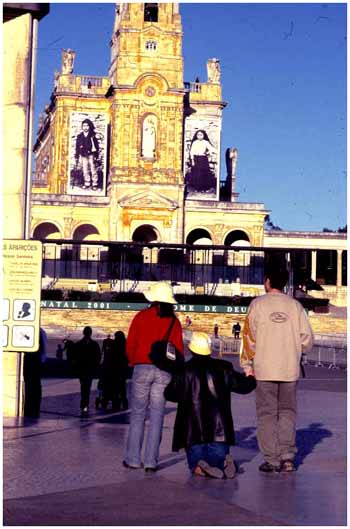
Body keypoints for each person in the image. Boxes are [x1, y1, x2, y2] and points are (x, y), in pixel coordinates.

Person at [240, 266, 314, 473]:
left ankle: (272, 460)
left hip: (264, 370)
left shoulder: (257, 305)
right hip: (289, 369)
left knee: (267, 415)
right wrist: (294, 350)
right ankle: (288, 457)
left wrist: (247, 365)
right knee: (288, 413)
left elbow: (248, 339)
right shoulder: (295, 306)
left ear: (267, 281)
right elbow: (307, 340)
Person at [164, 332, 256, 479]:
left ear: (192, 349)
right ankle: (224, 462)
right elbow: (245, 387)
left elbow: (170, 395)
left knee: (195, 462)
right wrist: (251, 376)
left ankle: (200, 467)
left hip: (192, 431)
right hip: (220, 431)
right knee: (217, 458)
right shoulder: (224, 367)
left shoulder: (184, 370)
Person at [123, 281, 184, 472]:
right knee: (157, 416)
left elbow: (130, 344)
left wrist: (134, 362)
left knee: (138, 415)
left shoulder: (140, 317)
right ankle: (151, 462)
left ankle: (133, 459)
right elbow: (179, 350)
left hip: (142, 367)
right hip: (163, 371)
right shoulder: (174, 321)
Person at [75, 326, 101, 417]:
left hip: (85, 370)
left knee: (84, 387)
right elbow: (98, 357)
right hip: (86, 370)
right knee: (86, 387)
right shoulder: (94, 344)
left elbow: (75, 357)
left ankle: (84, 405)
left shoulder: (79, 344)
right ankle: (84, 405)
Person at [23, 328, 47, 418]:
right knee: (32, 387)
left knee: (33, 386)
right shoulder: (41, 331)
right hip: (33, 361)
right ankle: (32, 409)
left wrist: (41, 359)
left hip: (34, 361)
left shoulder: (40, 331)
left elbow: (43, 348)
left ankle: (33, 409)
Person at [75, 118, 99, 190]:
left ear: (89, 126)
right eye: (84, 126)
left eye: (87, 126)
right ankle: (87, 182)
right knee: (85, 169)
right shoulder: (80, 136)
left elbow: (96, 145)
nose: (85, 127)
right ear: (82, 127)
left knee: (93, 168)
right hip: (83, 155)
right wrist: (77, 155)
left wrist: (96, 155)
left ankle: (95, 183)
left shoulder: (92, 135)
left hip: (91, 154)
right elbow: (77, 146)